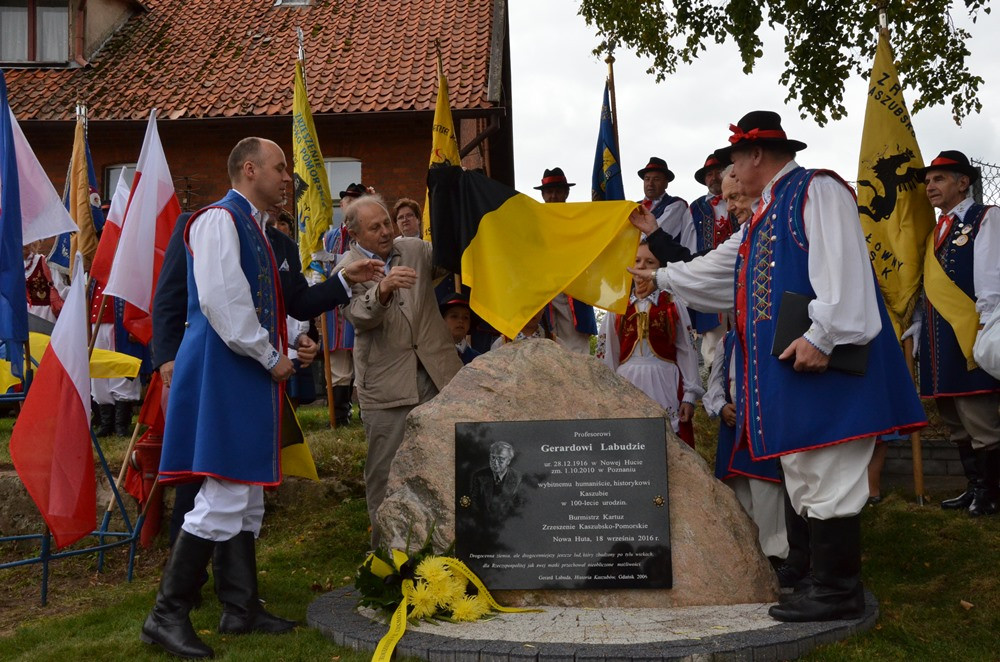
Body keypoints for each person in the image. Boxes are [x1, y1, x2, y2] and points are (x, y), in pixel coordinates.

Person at [628, 111, 925, 623]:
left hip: (826, 360)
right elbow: (722, 269)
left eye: (734, 161)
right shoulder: (766, 213)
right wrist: (664, 278)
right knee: (803, 468)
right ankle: (812, 576)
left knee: (829, 467)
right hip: (796, 368)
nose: (732, 173)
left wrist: (822, 333)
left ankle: (837, 592)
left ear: (756, 155)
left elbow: (846, 265)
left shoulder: (817, 190)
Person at [143, 137, 383, 659]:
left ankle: (240, 608)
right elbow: (223, 303)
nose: (287, 179)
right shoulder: (216, 221)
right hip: (227, 368)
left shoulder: (258, 229)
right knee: (226, 489)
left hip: (242, 369)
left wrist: (339, 283)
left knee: (245, 492)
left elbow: (278, 301)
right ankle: (166, 615)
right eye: (279, 168)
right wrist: (270, 355)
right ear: (248, 169)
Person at [338, 194, 463, 548]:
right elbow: (359, 317)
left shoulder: (412, 248)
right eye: (374, 227)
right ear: (354, 234)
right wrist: (383, 289)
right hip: (387, 389)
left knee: (447, 466)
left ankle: (447, 551)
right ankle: (386, 563)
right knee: (386, 475)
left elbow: (448, 258)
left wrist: (451, 197)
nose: (385, 231)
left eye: (386, 223)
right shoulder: (346, 268)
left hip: (439, 376)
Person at [911, 150, 1000, 516]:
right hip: (939, 338)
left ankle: (993, 494)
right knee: (954, 421)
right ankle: (975, 487)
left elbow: (991, 280)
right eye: (929, 180)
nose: (930, 186)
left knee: (981, 420)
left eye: (940, 179)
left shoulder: (986, 218)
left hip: (970, 333)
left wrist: (985, 329)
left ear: (964, 182)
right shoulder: (935, 231)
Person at [597, 241, 701, 442]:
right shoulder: (618, 305)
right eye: (637, 260)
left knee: (666, 440)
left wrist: (689, 395)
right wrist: (605, 391)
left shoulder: (672, 303)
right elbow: (608, 350)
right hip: (627, 382)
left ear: (659, 268)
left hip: (665, 382)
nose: (642, 266)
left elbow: (687, 350)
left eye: (649, 261)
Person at [705, 329, 788, 565]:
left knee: (766, 489)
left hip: (762, 421)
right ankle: (742, 552)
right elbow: (715, 384)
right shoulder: (727, 341)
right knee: (736, 487)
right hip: (733, 425)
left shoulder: (767, 334)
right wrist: (721, 407)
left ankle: (774, 553)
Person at [535, 167, 598, 354]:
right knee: (546, 344)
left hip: (575, 290)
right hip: (544, 290)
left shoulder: (580, 219)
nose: (553, 196)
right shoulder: (533, 221)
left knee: (577, 348)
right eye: (549, 192)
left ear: (566, 193)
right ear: (543, 195)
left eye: (557, 191)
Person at [689, 155, 740, 366]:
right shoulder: (696, 207)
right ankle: (715, 388)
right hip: (710, 274)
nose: (713, 178)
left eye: (717, 172)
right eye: (708, 174)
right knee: (712, 336)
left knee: (742, 327)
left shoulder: (739, 199)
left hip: (739, 272)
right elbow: (689, 240)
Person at [637, 156, 696, 256]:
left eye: (656, 179)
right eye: (647, 179)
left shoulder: (676, 204)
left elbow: (656, 232)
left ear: (666, 183)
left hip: (662, 262)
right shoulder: (635, 205)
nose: (650, 184)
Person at [469, 441, 523, 520]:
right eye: (493, 457)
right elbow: (473, 502)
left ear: (508, 461)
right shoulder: (479, 476)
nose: (495, 462)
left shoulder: (518, 477)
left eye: (501, 459)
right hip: (483, 521)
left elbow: (520, 505)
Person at [439, 290, 480, 365]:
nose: (461, 320)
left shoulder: (477, 360)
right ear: (442, 320)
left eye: (466, 317)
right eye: (454, 316)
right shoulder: (430, 354)